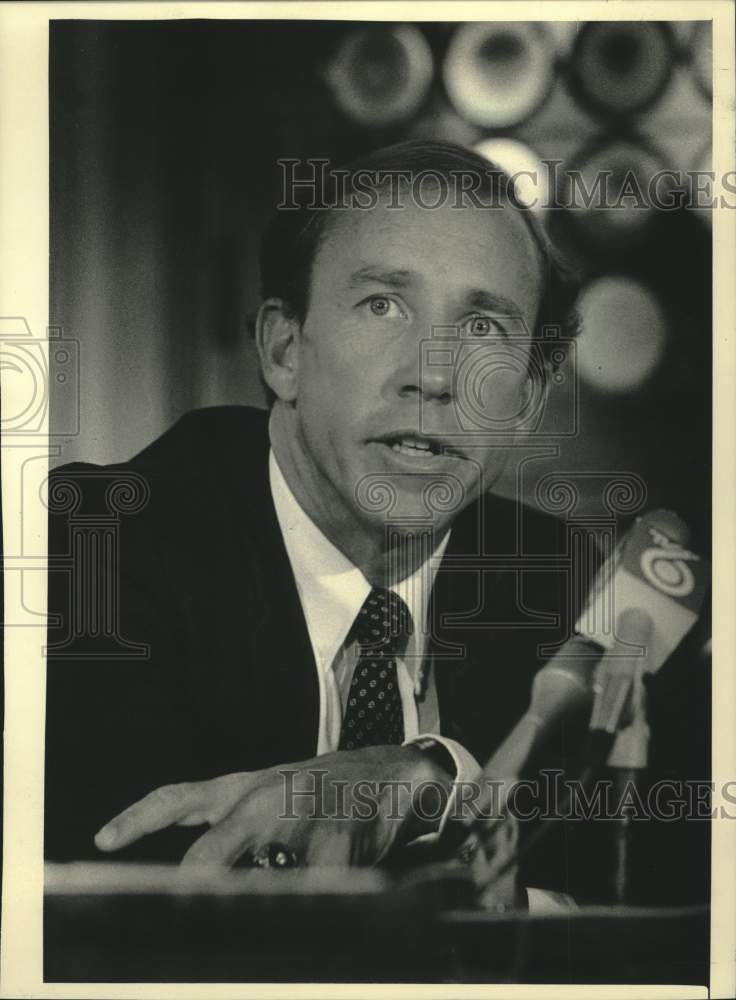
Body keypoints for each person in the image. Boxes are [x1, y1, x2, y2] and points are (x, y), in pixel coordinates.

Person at [45, 140, 589, 905]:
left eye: (482, 328)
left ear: (526, 401)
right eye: (383, 305)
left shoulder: (585, 596)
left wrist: (433, 778)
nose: (434, 375)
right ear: (284, 350)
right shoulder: (89, 554)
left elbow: (670, 899)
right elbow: (112, 903)